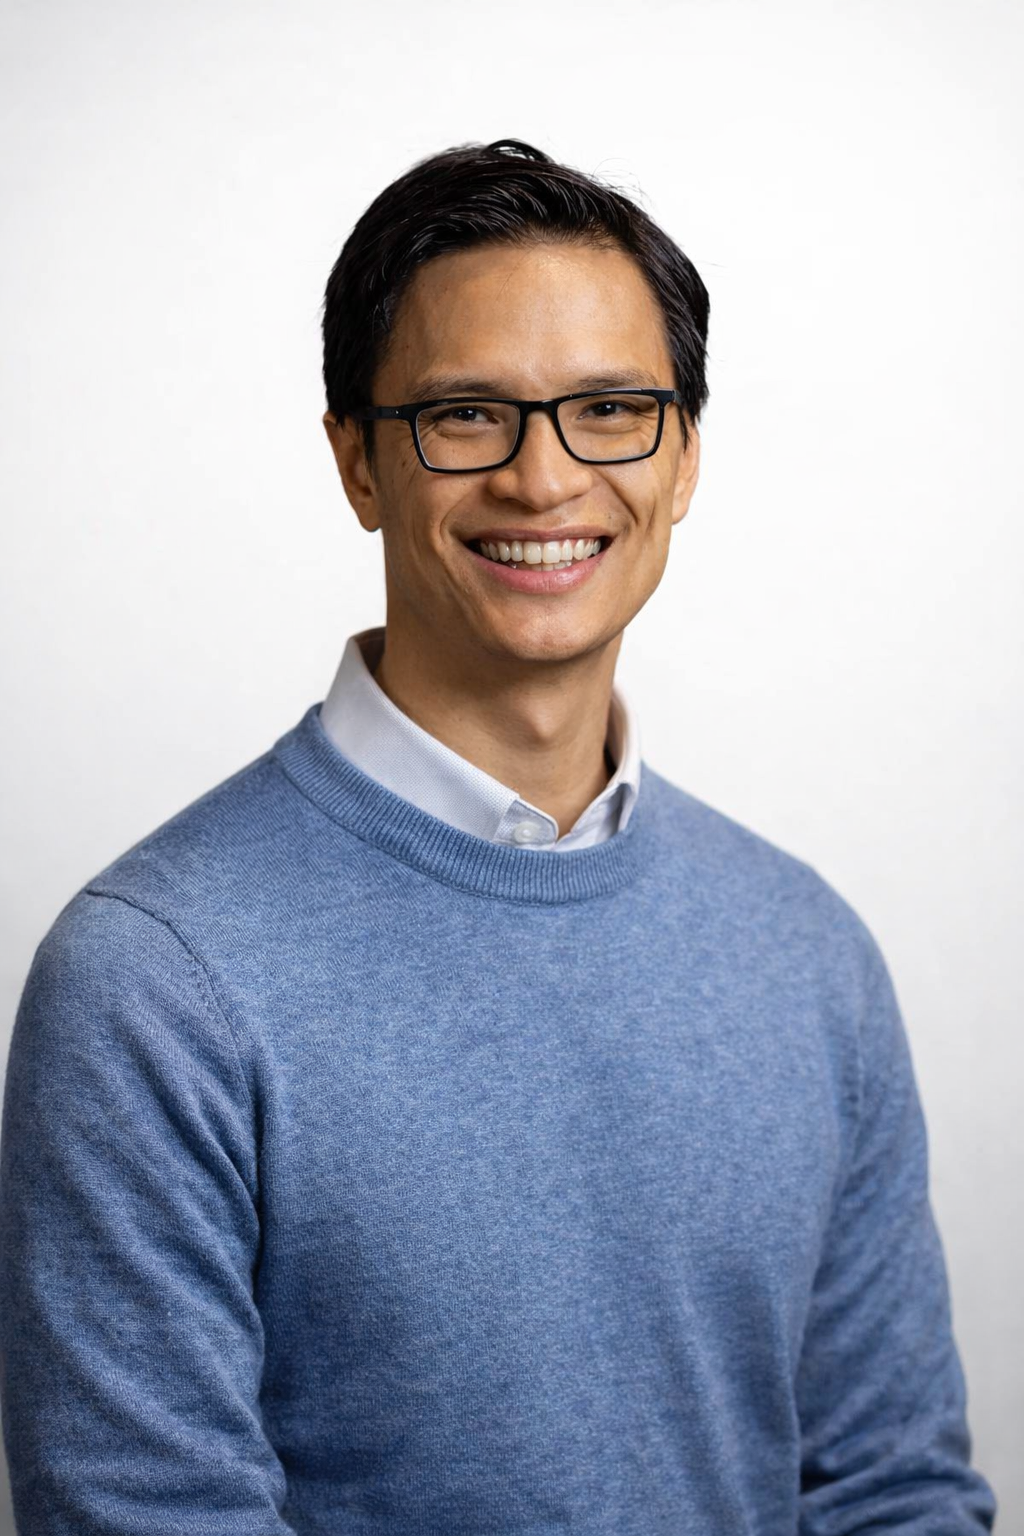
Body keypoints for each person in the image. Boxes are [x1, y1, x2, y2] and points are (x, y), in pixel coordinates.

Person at [0, 138, 997, 1535]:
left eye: (609, 408)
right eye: (467, 414)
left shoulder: (806, 948)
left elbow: (889, 1491)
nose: (544, 480)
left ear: (686, 457)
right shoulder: (154, 979)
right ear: (358, 460)